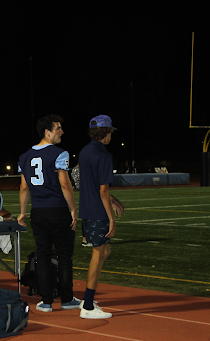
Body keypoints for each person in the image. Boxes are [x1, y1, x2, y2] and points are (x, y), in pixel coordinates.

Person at [17, 114, 80, 312]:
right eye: (58, 128)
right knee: (64, 256)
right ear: (47, 132)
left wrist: (22, 212)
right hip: (57, 210)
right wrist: (73, 208)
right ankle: (67, 298)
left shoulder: (24, 156)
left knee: (42, 256)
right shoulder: (59, 153)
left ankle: (45, 300)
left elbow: (24, 188)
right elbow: (64, 183)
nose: (61, 132)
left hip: (38, 212)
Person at [78, 115, 119, 319]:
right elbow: (103, 190)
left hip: (86, 210)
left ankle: (88, 298)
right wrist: (111, 218)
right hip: (97, 212)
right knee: (98, 254)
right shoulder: (104, 155)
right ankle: (87, 305)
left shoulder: (85, 152)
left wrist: (114, 199)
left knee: (104, 252)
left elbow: (93, 184)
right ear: (106, 133)